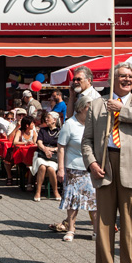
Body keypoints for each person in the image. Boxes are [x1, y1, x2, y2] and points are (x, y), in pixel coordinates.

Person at [81, 62, 132, 263]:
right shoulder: (96, 105)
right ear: (113, 79)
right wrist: (91, 163)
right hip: (105, 165)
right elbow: (87, 140)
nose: (127, 79)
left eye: (130, 76)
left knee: (130, 220)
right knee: (104, 220)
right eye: (123, 76)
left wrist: (121, 109)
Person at [53, 95, 97, 242]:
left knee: (94, 201)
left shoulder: (94, 124)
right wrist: (60, 168)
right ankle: (71, 229)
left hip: (92, 167)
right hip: (74, 168)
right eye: (90, 108)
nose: (92, 111)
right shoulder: (70, 124)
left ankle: (97, 231)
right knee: (72, 200)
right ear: (82, 108)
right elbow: (61, 147)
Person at [32, 110, 61, 202]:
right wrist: (45, 150)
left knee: (51, 169)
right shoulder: (43, 130)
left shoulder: (60, 131)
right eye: (46, 117)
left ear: (54, 120)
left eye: (48, 117)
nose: (46, 119)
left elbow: (61, 146)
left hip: (54, 156)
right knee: (42, 167)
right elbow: (39, 143)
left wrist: (51, 150)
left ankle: (56, 191)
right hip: (41, 155)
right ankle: (38, 191)